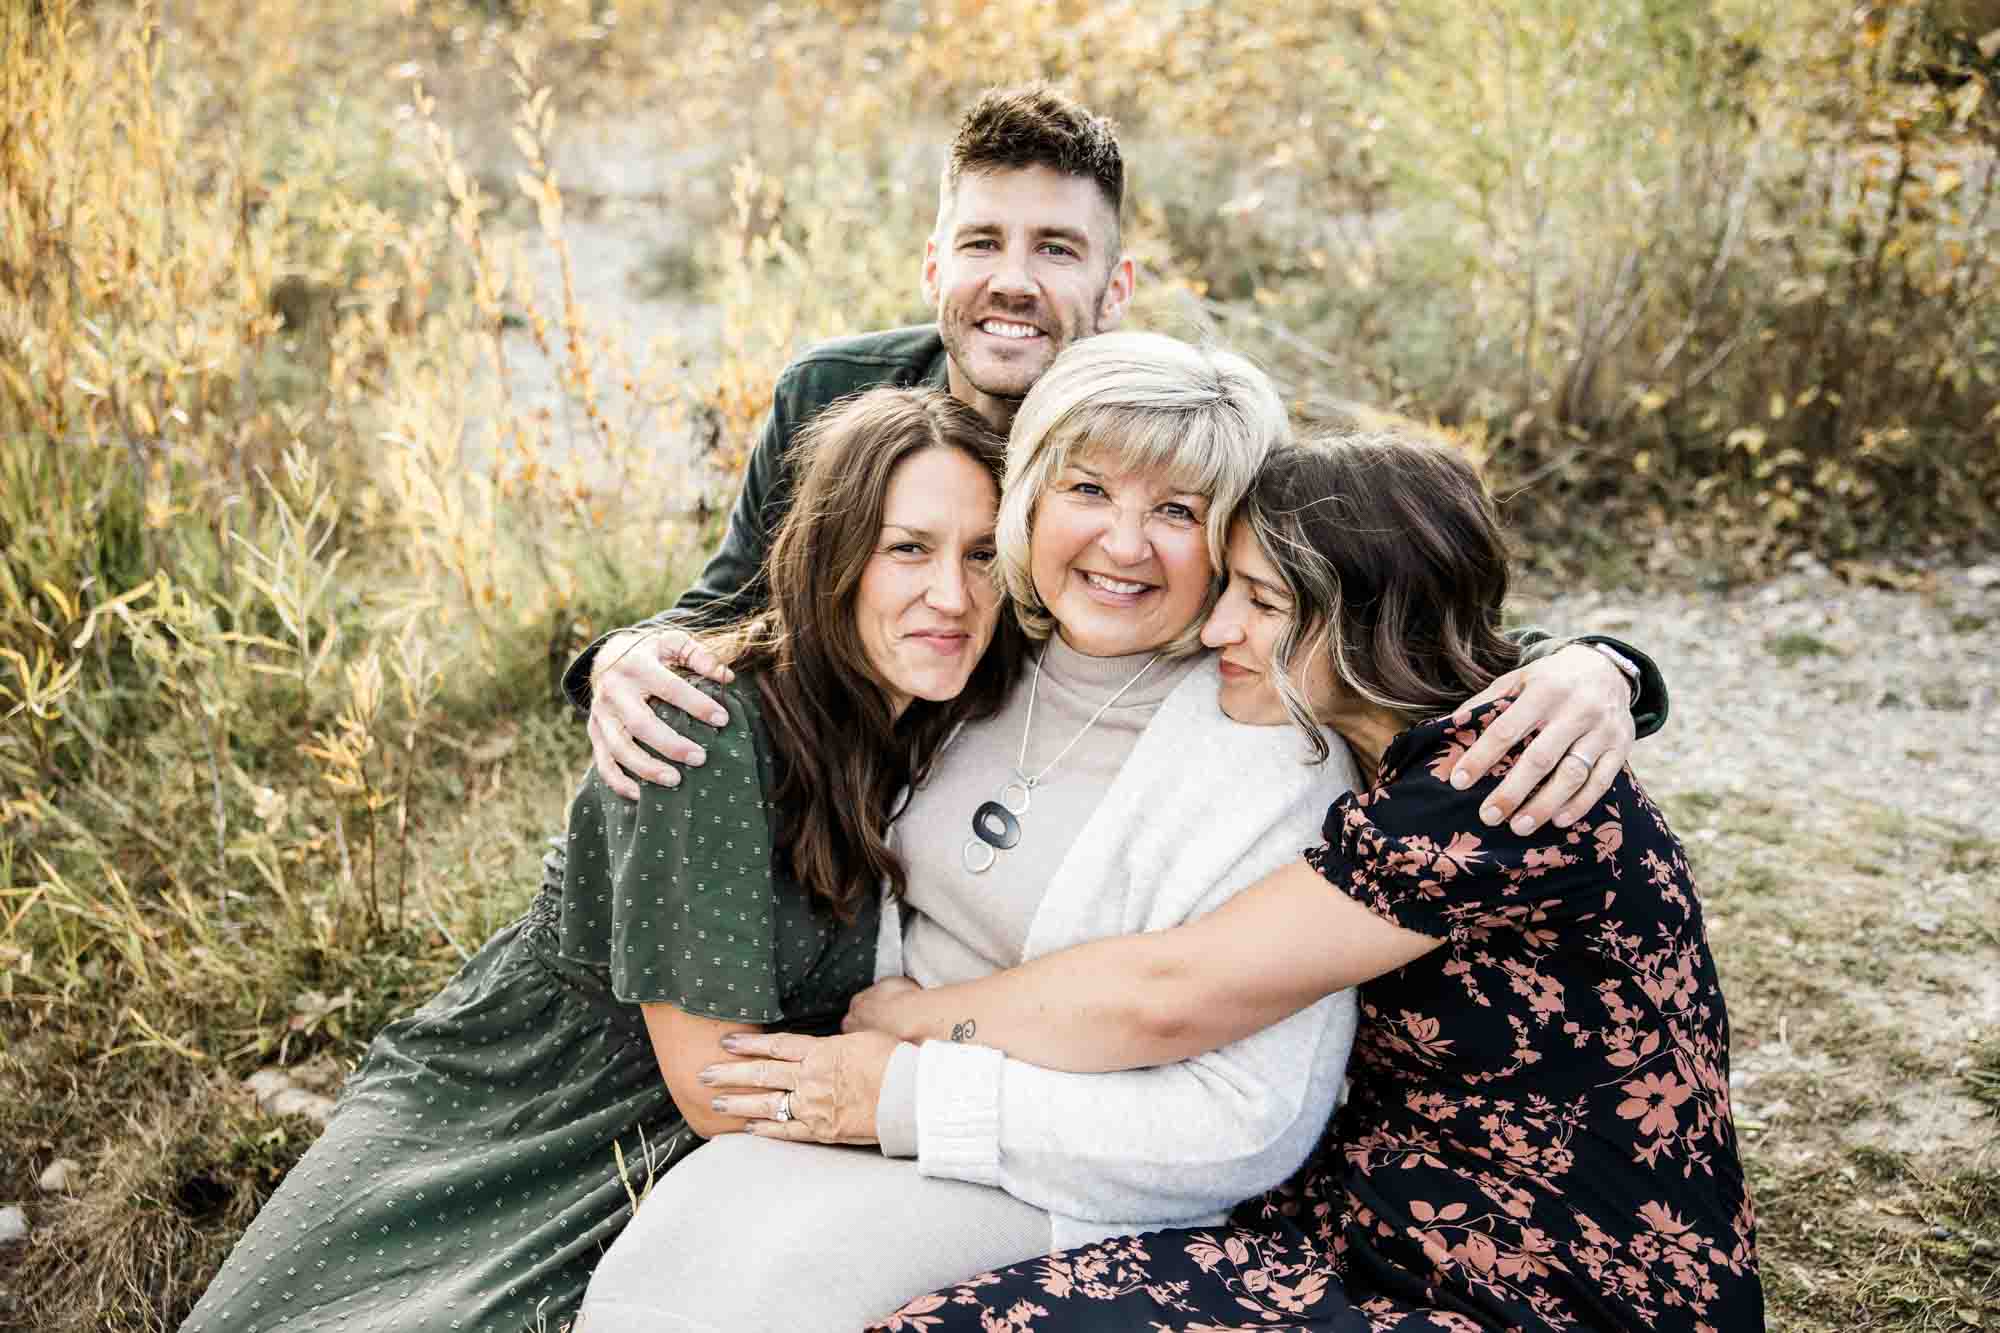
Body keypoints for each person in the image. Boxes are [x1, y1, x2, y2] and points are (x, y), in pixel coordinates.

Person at [840, 434, 1764, 1331]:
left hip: (1543, 1277)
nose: (1217, 628)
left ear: (1375, 620)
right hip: (1380, 1222)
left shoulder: (1490, 781)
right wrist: (1601, 658)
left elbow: (1171, 991)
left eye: (1263, 600)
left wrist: (912, 1026)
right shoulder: (1420, 745)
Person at [574, 82, 1668, 834]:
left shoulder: (1173, 426)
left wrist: (1600, 665)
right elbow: (721, 604)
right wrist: (624, 652)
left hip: (1091, 776)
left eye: (1055, 249)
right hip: (872, 786)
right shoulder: (835, 394)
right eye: (981, 243)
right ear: (931, 264)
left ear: (1114, 286)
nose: (1011, 281)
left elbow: (1383, 601)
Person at [177, 386, 1021, 1333]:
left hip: (726, 1136)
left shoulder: (943, 718)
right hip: (535, 1100)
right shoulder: (702, 731)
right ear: (832, 554)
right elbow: (718, 1086)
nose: (953, 595)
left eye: (983, 553)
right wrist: (947, 1073)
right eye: (908, 548)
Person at [578, 332, 1360, 1332]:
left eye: (1174, 511)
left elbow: (1247, 1121)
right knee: (664, 1267)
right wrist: (632, 652)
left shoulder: (1270, 756)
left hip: (1065, 1177)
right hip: (858, 1119)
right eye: (1087, 490)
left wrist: (908, 1098)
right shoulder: (979, 658)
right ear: (1028, 496)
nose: (1122, 545)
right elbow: (795, 614)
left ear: (1235, 538)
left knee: (772, 1293)